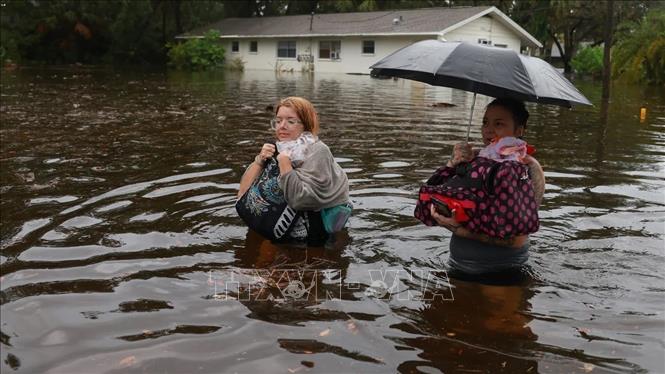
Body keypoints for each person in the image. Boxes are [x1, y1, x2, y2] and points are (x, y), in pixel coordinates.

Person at [419, 97, 545, 274]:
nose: (488, 130)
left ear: (519, 129)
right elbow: (437, 193)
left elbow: (516, 239)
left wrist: (459, 230)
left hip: (502, 271)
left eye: (498, 124)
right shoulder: (476, 158)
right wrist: (452, 164)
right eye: (485, 123)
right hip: (458, 264)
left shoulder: (527, 168)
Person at [236, 96, 350, 245]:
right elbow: (242, 195)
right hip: (275, 229)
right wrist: (259, 160)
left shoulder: (317, 151)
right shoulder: (277, 147)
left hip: (309, 240)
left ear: (305, 125)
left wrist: (284, 163)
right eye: (278, 120)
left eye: (290, 121)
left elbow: (301, 200)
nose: (282, 126)